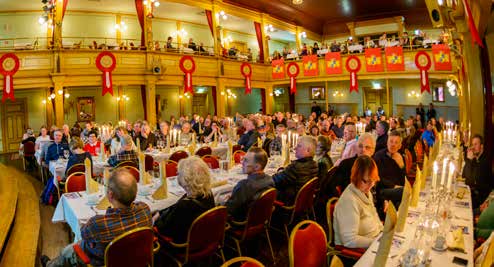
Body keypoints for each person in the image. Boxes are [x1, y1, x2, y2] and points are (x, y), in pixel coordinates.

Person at [41, 169, 152, 267]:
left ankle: (49, 265)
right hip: (135, 258)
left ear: (110, 195)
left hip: (102, 261)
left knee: (67, 251)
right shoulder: (145, 209)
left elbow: (83, 233)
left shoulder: (99, 223)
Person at [154, 156, 215, 243]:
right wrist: (160, 212)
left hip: (184, 244)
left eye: (178, 174)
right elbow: (175, 207)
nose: (177, 176)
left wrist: (156, 220)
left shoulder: (184, 206)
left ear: (186, 179)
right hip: (204, 239)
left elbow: (164, 229)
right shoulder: (208, 193)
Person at [333, 155, 383, 248]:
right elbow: (349, 240)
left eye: (373, 181)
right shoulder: (349, 200)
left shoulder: (365, 191)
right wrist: (376, 243)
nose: (370, 185)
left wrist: (383, 232)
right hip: (357, 252)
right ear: (356, 176)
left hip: (373, 241)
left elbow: (374, 215)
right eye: (366, 181)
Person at [322, 133, 376, 199]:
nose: (363, 150)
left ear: (373, 151)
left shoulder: (374, 166)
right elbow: (332, 187)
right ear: (356, 148)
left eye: (367, 147)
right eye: (360, 146)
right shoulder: (346, 164)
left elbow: (377, 188)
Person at [226, 148, 274, 221]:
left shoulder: (244, 185)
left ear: (257, 167)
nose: (242, 163)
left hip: (241, 223)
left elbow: (227, 210)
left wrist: (229, 200)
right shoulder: (270, 180)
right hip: (261, 221)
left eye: (246, 161)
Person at [272, 136, 318, 205]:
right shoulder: (314, 164)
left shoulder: (296, 167)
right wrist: (283, 170)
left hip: (289, 201)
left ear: (308, 150)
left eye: (299, 146)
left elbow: (274, 180)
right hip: (302, 201)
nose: (295, 148)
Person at [373, 131, 406, 216]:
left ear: (400, 146)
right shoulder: (378, 156)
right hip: (382, 191)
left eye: (396, 142)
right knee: (405, 192)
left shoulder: (400, 157)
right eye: (391, 141)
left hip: (395, 192)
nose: (393, 145)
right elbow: (378, 178)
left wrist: (401, 166)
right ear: (387, 142)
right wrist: (394, 186)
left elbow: (403, 182)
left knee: (401, 205)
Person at [462, 134, 493, 209]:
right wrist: (469, 160)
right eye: (472, 144)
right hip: (474, 194)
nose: (473, 147)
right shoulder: (477, 158)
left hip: (480, 201)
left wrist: (469, 160)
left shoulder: (485, 161)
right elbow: (464, 175)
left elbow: (469, 181)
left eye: (476, 144)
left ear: (481, 146)